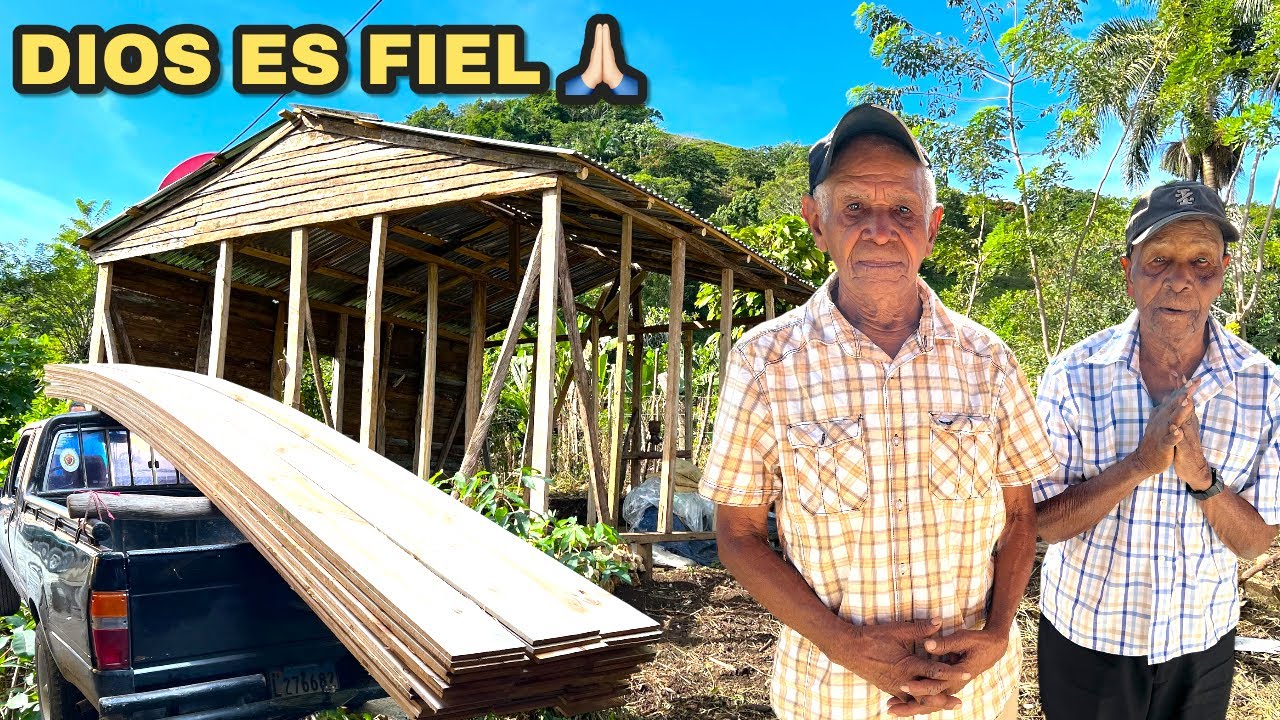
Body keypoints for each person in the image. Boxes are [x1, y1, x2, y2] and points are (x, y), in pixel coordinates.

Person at [700, 103, 1057, 719]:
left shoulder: (988, 361)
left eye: (903, 210)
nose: (881, 230)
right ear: (816, 221)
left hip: (973, 695)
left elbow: (1020, 517)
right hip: (830, 696)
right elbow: (737, 535)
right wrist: (844, 643)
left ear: (932, 226)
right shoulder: (765, 363)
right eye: (854, 208)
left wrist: (999, 631)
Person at [1034, 180, 1280, 720]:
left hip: (1202, 640)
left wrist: (1201, 476)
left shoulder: (1264, 385)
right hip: (1087, 636)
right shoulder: (1074, 374)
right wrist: (1140, 464)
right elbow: (1043, 523)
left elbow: (1256, 540)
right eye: (1160, 260)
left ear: (1222, 272)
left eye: (1201, 262)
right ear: (1129, 274)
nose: (1180, 279)